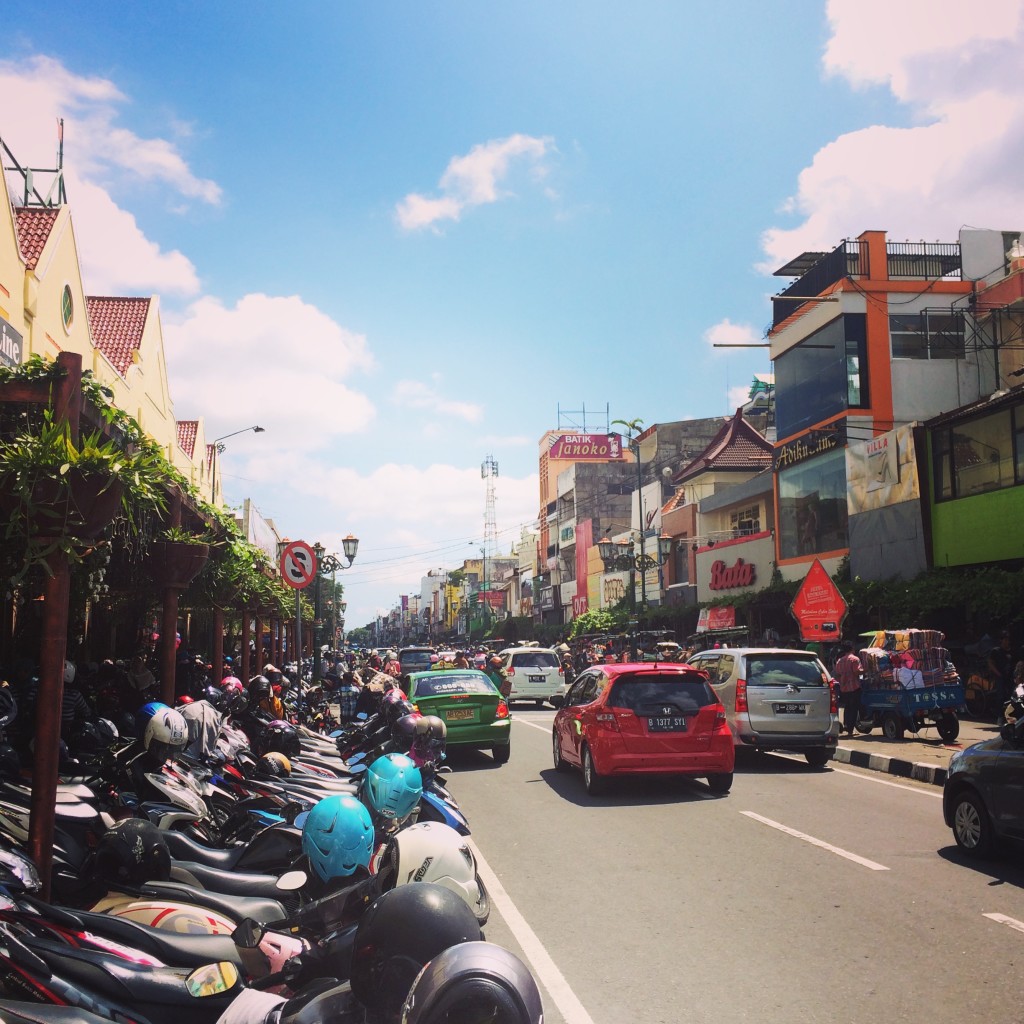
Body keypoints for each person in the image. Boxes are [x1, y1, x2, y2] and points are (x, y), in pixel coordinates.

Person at [833, 641, 863, 737]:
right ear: (852, 648)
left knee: (847, 708)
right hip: (854, 687)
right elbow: (856, 672)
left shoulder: (839, 661)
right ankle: (850, 730)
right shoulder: (854, 659)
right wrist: (866, 669)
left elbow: (837, 674)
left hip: (844, 688)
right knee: (854, 709)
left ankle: (846, 726)